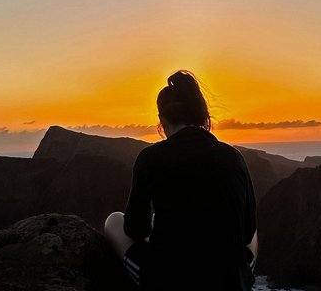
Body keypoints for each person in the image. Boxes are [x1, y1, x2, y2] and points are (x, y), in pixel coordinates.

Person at [104, 70, 258, 291]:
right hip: (230, 282)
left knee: (113, 221)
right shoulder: (234, 157)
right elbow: (247, 231)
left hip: (167, 280)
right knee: (252, 235)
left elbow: (135, 230)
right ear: (201, 115)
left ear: (162, 120)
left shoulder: (150, 158)